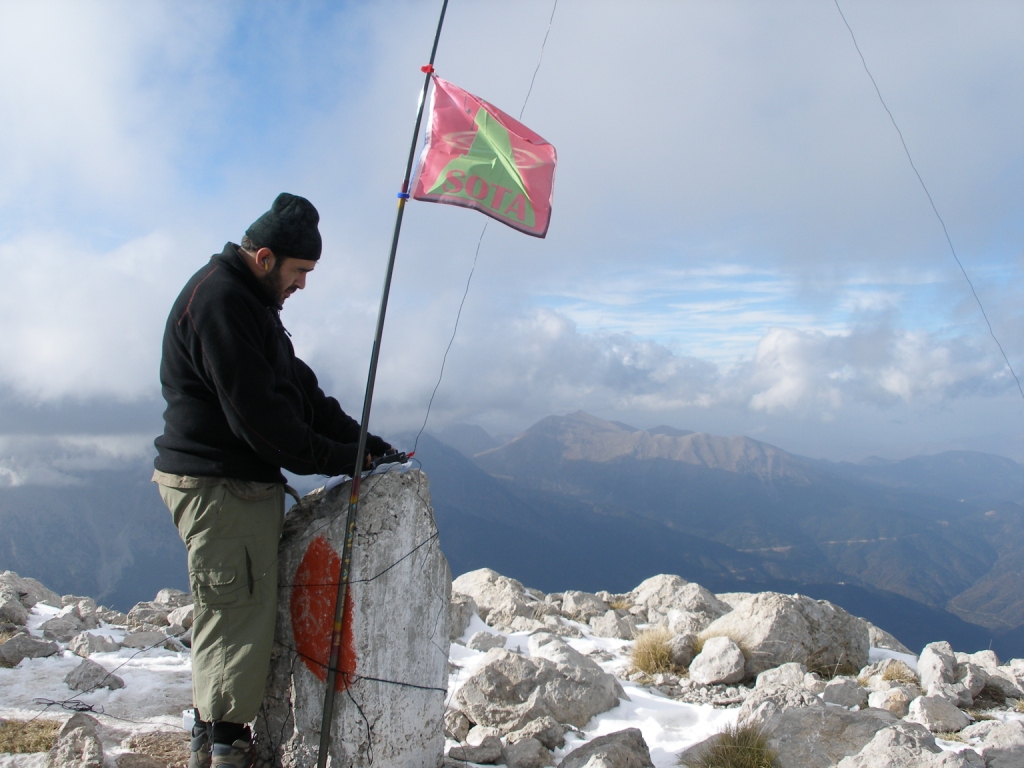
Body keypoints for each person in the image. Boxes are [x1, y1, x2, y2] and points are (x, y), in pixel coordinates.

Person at [152, 193, 392, 768]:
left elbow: (300, 391)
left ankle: (214, 736)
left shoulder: (249, 302)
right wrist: (342, 458)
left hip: (230, 485)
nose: (302, 286)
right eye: (299, 272)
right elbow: (262, 423)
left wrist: (366, 446)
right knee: (237, 617)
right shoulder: (220, 303)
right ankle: (223, 746)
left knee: (236, 610)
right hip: (219, 486)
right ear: (264, 257)